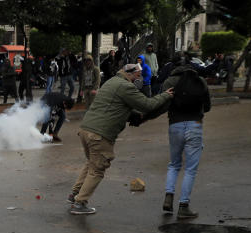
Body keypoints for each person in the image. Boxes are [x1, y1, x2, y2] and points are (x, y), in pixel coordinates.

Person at [68, 64, 173, 215]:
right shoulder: (126, 87)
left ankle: (74, 195)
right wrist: (165, 95)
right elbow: (147, 105)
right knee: (97, 169)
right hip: (100, 134)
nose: (140, 79)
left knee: (91, 163)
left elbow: (116, 107)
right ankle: (80, 203)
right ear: (130, 74)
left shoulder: (111, 82)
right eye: (138, 76)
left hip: (86, 129)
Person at [160, 53, 211, 219]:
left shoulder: (169, 81)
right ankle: (184, 206)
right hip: (195, 124)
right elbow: (208, 106)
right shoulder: (200, 80)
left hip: (175, 124)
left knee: (174, 164)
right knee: (190, 168)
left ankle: (169, 196)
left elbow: (162, 103)